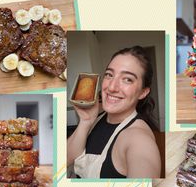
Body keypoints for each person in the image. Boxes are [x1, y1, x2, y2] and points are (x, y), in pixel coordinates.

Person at [67, 46, 161, 178]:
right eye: (109, 75)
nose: (111, 87)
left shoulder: (139, 139)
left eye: (127, 79)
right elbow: (65, 159)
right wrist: (85, 121)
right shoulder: (97, 118)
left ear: (143, 92)